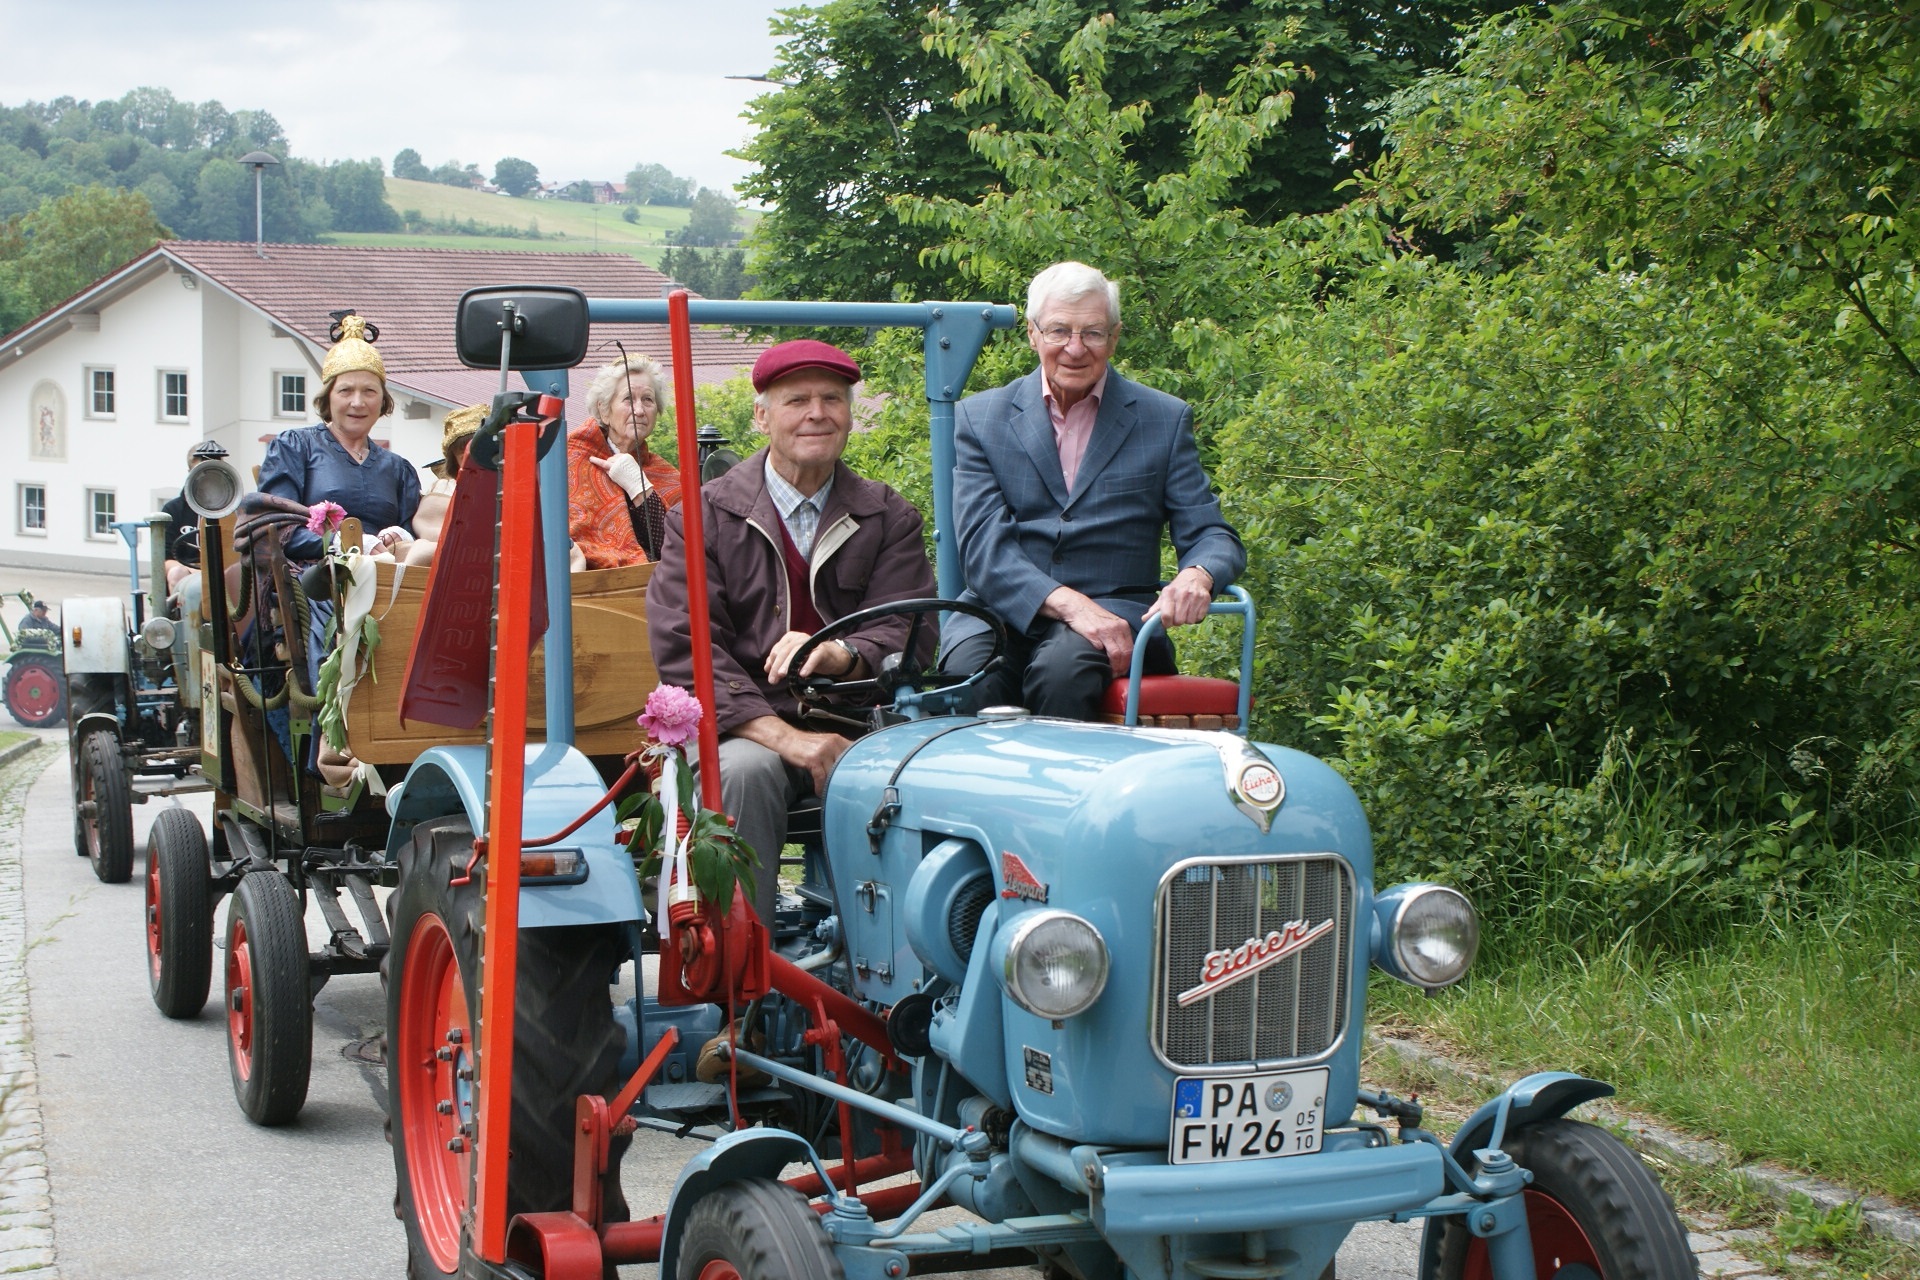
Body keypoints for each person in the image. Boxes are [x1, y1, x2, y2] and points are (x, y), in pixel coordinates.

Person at [647, 339, 936, 924]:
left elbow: (908, 631)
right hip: (744, 729)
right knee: (744, 774)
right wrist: (787, 739)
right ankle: (739, 979)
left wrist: (841, 654)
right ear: (761, 416)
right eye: (796, 399)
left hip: (858, 721)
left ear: (850, 414)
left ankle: (903, 970)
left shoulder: (888, 516)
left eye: (832, 399)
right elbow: (689, 648)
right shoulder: (703, 516)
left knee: (934, 771)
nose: (817, 413)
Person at [940, 261, 1245, 719]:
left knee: (1062, 672)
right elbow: (984, 551)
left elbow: (1212, 533)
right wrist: (1070, 606)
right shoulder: (982, 418)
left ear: (1115, 337)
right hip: (1002, 610)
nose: (1075, 349)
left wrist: (1198, 574)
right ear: (1032, 334)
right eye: (1059, 331)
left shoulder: (1162, 419)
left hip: (1115, 614)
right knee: (966, 679)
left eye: (1093, 333)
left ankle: (1060, 793)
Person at [255, 312, 421, 562]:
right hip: (315, 586)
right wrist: (341, 543)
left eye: (369, 391)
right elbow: (275, 530)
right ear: (327, 397)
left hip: (384, 585)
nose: (358, 402)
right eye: (346, 390)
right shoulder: (295, 447)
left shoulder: (398, 469)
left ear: (382, 400)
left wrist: (400, 537)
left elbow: (414, 535)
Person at [569, 354, 682, 568]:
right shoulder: (571, 459)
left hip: (658, 589)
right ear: (604, 409)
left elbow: (679, 550)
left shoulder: (665, 473)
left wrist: (639, 486)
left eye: (648, 400)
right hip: (589, 592)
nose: (639, 410)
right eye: (628, 399)